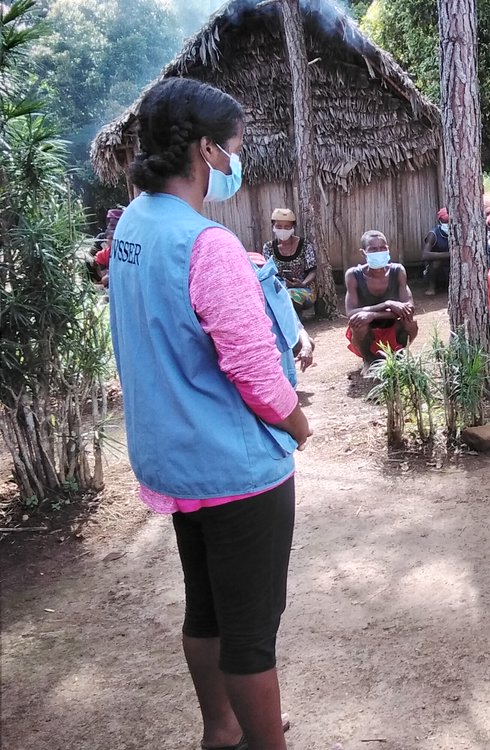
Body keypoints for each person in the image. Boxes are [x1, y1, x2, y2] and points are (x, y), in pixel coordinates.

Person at [107, 77, 308, 750]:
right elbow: (257, 377)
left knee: (207, 606)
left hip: (174, 460)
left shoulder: (134, 223)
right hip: (235, 468)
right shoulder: (207, 244)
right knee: (252, 629)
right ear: (206, 151)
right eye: (235, 146)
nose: (237, 158)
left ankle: (220, 727)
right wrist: (297, 423)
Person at [344, 230, 419, 374]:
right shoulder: (353, 275)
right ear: (363, 253)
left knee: (411, 322)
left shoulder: (398, 271)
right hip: (367, 331)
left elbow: (409, 307)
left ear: (388, 249)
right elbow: (350, 312)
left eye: (382, 248)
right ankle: (368, 359)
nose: (379, 252)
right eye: (373, 249)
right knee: (357, 322)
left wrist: (373, 314)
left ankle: (399, 354)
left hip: (393, 327)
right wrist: (387, 304)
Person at [247, 250, 315, 386]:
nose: (261, 274)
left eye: (263, 268)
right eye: (256, 268)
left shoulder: (278, 294)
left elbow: (298, 327)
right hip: (257, 356)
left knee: (307, 342)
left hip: (279, 348)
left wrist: (306, 347)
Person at [261, 208, 317, 314]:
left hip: (304, 289)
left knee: (290, 295)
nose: (283, 230)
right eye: (279, 227)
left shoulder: (305, 245)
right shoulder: (268, 247)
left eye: (287, 227)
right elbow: (266, 272)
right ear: (273, 227)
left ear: (293, 227)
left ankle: (295, 326)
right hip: (278, 289)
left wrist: (302, 283)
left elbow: (313, 270)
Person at [419, 207, 451, 296]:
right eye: (445, 221)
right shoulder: (433, 234)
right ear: (440, 221)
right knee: (436, 262)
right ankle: (431, 287)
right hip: (437, 270)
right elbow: (424, 255)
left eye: (449, 221)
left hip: (450, 268)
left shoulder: (457, 232)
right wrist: (449, 255)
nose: (448, 224)